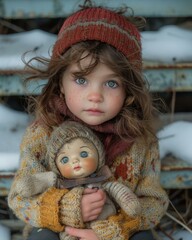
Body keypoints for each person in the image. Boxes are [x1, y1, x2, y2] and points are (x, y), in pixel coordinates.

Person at [8, 2, 169, 240]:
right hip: (60, 231)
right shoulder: (43, 132)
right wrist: (66, 209)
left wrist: (113, 228)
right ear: (60, 82)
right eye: (81, 80)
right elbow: (20, 198)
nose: (95, 96)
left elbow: (154, 203)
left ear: (129, 91)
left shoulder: (140, 140)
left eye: (111, 83)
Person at [20, 120, 141, 240]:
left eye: (83, 154)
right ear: (57, 168)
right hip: (70, 230)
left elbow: (119, 191)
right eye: (64, 160)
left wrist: (129, 205)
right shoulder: (59, 182)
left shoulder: (103, 182)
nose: (75, 161)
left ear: (99, 156)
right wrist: (62, 209)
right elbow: (24, 194)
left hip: (107, 225)